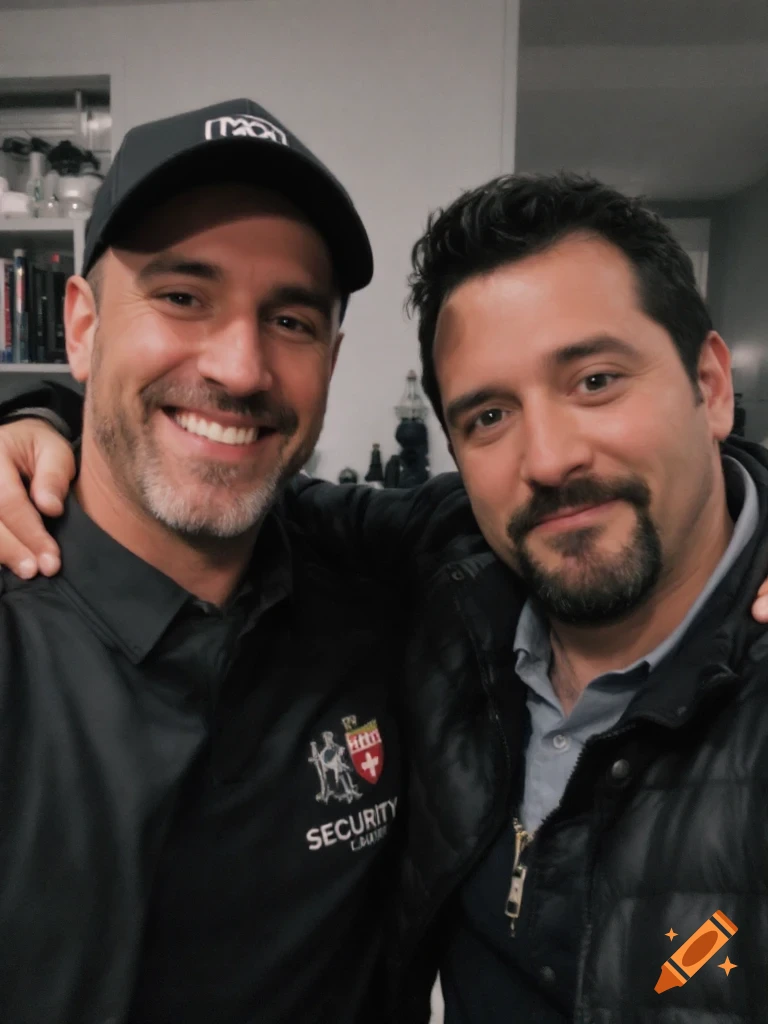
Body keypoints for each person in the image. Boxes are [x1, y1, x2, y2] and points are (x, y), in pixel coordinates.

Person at [4, 177, 768, 1023]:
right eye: (487, 416)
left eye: (595, 381)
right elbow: (208, 466)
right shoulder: (450, 589)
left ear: (711, 386)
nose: (548, 459)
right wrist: (36, 412)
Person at [0, 98, 405, 1024]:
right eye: (183, 297)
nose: (241, 368)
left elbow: (549, 515)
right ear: (81, 326)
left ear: (333, 362)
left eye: (292, 321)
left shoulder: (387, 598)